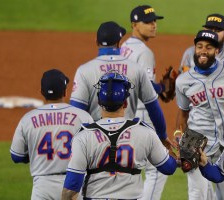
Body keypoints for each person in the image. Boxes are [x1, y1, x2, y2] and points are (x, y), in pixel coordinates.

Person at [62, 71, 177, 200]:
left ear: (99, 102)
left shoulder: (83, 136)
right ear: (125, 103)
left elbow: (71, 187)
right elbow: (169, 168)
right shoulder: (145, 133)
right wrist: (177, 155)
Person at [174, 30, 224, 200]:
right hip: (197, 144)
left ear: (217, 51)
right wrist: (178, 136)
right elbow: (182, 114)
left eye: (209, 47)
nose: (203, 51)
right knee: (197, 195)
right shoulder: (183, 80)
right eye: (199, 46)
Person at [69, 21, 173, 150]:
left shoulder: (84, 70)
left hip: (95, 145)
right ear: (119, 43)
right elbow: (153, 107)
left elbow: (76, 112)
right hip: (127, 145)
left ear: (96, 41)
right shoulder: (135, 69)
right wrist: (162, 135)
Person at [10, 69, 94, 200]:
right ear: (65, 92)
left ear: (41, 93)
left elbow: (17, 156)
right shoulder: (84, 117)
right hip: (75, 186)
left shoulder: (27, 119)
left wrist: (35, 153)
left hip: (43, 188)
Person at [120, 5, 170, 200]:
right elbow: (147, 90)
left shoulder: (122, 47)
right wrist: (163, 87)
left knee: (128, 168)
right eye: (148, 22)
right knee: (157, 169)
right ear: (134, 24)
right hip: (142, 114)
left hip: (123, 113)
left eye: (154, 21)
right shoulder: (144, 52)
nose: (153, 25)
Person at [179, 13, 224, 85]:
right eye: (209, 29)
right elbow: (183, 83)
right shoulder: (190, 53)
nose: (212, 33)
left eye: (217, 30)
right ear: (204, 29)